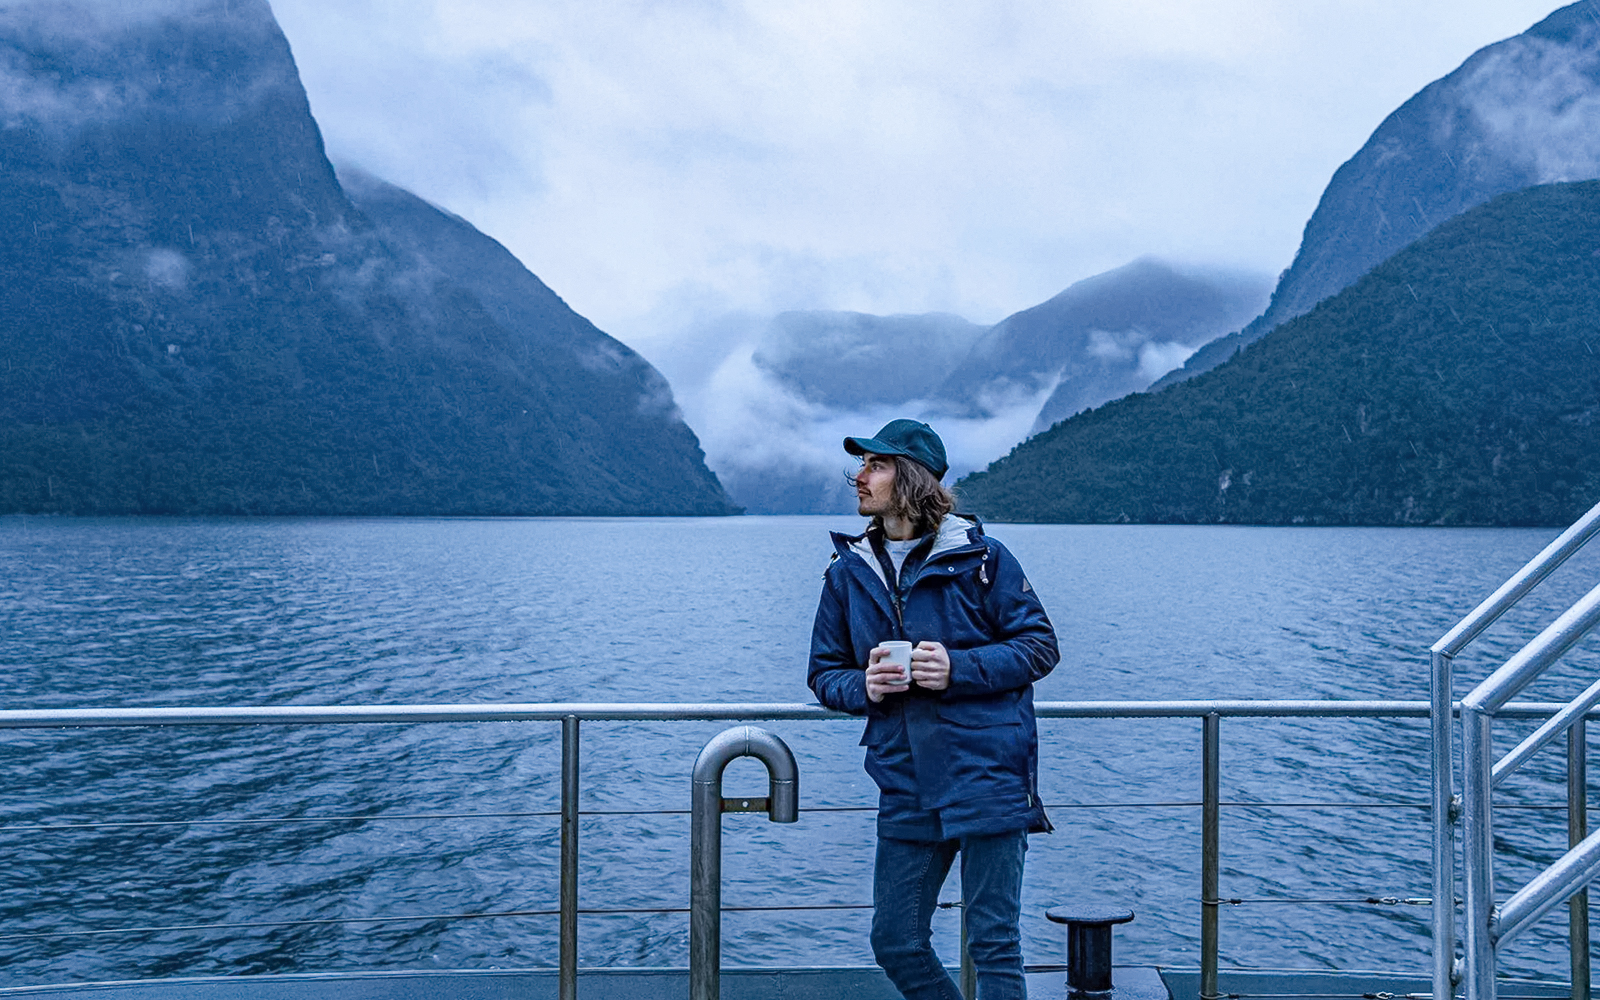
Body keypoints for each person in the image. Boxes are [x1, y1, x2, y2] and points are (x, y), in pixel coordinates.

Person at [807, 418, 1059, 1000]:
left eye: (876, 465)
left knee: (993, 943)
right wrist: (864, 686)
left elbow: (1039, 646)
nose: (860, 479)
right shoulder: (847, 573)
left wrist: (957, 669)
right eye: (862, 466)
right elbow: (825, 673)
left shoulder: (983, 559)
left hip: (988, 774)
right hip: (904, 777)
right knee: (896, 941)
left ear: (912, 478)